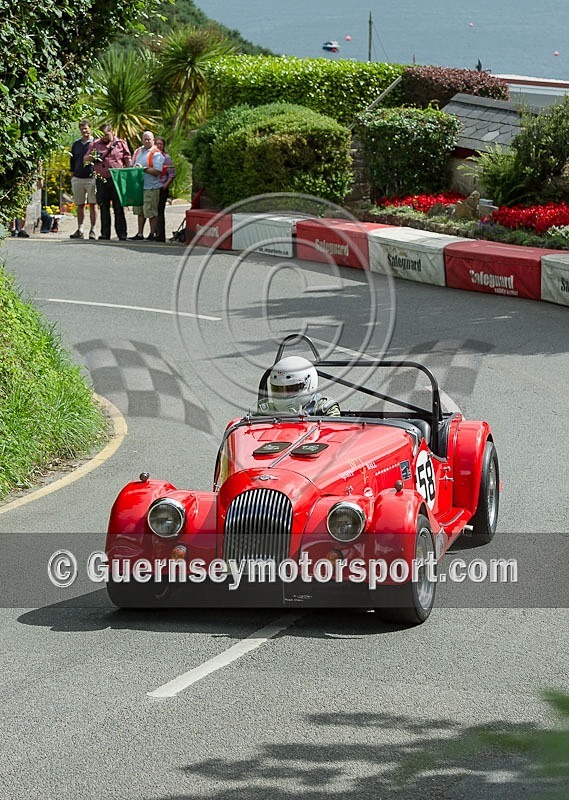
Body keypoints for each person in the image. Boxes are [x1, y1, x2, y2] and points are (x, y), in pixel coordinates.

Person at [85, 123, 131, 241]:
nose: (104, 137)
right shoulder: (95, 144)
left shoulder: (120, 143)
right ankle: (105, 234)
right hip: (102, 179)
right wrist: (94, 156)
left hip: (117, 180)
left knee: (118, 208)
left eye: (106, 135)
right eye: (103, 135)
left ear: (112, 132)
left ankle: (122, 233)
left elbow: (128, 160)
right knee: (104, 207)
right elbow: (85, 159)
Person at [258, 356, 341, 415]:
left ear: (309, 385)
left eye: (291, 389)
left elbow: (333, 434)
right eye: (278, 389)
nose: (284, 394)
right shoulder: (266, 411)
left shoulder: (325, 408)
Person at [129, 131, 165, 242]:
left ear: (153, 140)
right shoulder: (137, 152)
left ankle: (152, 233)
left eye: (149, 139)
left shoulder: (156, 153)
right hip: (139, 187)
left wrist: (143, 169)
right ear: (142, 140)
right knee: (140, 211)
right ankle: (140, 233)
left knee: (151, 212)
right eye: (145, 139)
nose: (147, 141)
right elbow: (131, 166)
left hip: (151, 187)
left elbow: (157, 171)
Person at [69, 120, 97, 239]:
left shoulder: (96, 143)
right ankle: (80, 229)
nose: (84, 131)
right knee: (80, 205)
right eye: (82, 129)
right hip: (78, 177)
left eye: (86, 128)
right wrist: (73, 175)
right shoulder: (76, 144)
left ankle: (93, 230)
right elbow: (72, 160)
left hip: (91, 178)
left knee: (93, 204)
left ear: (90, 128)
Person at [155, 136, 176, 242]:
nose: (159, 146)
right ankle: (154, 233)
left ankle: (160, 235)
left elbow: (171, 174)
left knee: (160, 211)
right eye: (157, 143)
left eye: (161, 144)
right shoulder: (152, 156)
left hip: (162, 187)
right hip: (152, 187)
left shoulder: (166, 157)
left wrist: (165, 185)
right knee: (153, 212)